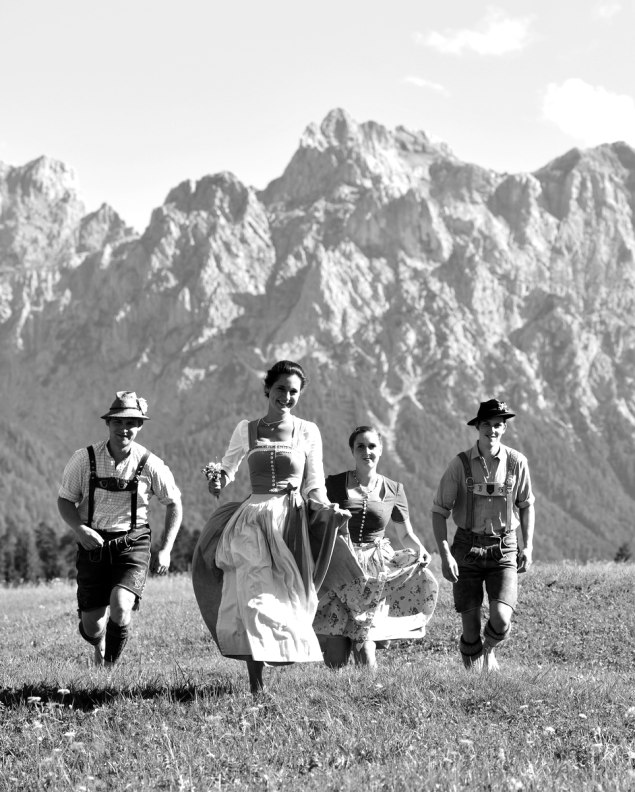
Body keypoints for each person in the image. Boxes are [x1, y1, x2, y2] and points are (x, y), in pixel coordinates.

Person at [191, 360, 347, 694]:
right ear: (267, 389)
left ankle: (279, 654)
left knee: (285, 601)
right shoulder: (246, 429)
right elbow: (228, 469)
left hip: (290, 523)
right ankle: (256, 685)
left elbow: (314, 485)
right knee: (251, 598)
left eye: (294, 392)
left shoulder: (307, 431)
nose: (287, 397)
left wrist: (327, 508)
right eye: (281, 389)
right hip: (251, 520)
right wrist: (217, 481)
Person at [57, 391, 183, 667]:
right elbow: (65, 500)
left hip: (132, 543)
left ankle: (108, 669)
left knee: (121, 605)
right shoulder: (84, 459)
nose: (124, 429)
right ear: (108, 424)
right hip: (92, 544)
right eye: (118, 422)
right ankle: (98, 641)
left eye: (131, 423)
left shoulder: (150, 464)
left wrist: (166, 549)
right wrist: (79, 529)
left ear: (140, 427)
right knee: (92, 626)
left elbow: (174, 503)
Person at [313, 425, 438, 671]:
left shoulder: (394, 489)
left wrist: (421, 550)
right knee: (336, 647)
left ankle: (368, 693)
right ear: (352, 450)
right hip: (341, 563)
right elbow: (317, 521)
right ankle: (335, 696)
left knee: (364, 636)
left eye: (372, 446)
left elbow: (405, 533)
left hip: (374, 567)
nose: (366, 451)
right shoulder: (334, 484)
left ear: (380, 450)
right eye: (360, 446)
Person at [431, 399, 535, 672]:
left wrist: (529, 547)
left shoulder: (517, 462)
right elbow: (438, 511)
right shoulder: (460, 464)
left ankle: (487, 653)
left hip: (504, 546)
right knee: (470, 628)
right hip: (466, 547)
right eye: (487, 424)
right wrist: (445, 556)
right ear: (477, 426)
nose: (492, 430)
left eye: (498, 425)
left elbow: (526, 505)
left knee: (501, 618)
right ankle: (474, 682)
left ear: (505, 428)